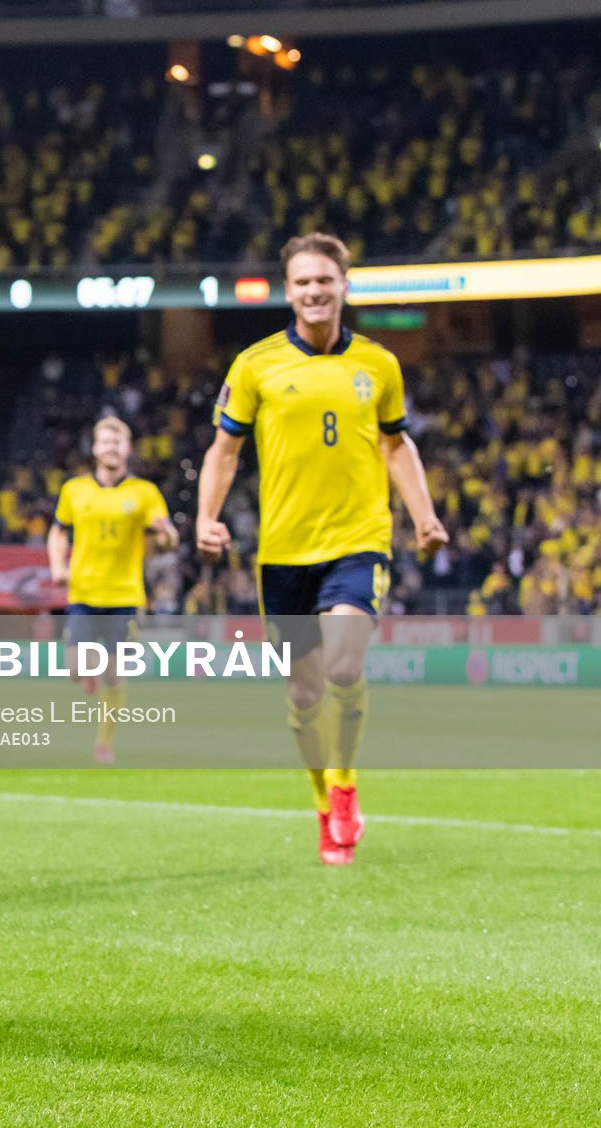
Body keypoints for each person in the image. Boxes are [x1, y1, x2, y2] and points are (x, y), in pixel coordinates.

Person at [196, 233, 448, 866]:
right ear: (289, 291)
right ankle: (321, 802)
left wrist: (423, 514)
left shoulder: (379, 365)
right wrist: (206, 516)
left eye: (325, 280)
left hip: (358, 540)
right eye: (303, 281)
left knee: (341, 667)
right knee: (305, 698)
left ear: (344, 286)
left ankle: (344, 784)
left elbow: (397, 444)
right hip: (283, 554)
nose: (314, 291)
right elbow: (224, 451)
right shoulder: (255, 365)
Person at [47, 417, 178, 764]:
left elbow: (166, 540)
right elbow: (58, 532)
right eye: (105, 442)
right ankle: (86, 671)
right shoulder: (74, 490)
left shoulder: (144, 493)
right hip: (84, 593)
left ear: (128, 450)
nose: (111, 448)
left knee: (115, 674)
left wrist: (167, 536)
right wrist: (58, 567)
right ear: (94, 448)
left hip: (124, 596)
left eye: (117, 443)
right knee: (76, 669)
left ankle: (104, 743)